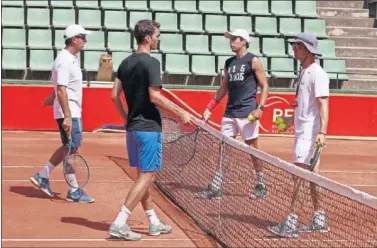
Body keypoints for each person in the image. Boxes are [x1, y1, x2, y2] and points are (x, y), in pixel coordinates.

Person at [108, 19, 194, 241]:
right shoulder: (152, 63)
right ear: (147, 38)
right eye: (157, 35)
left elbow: (114, 96)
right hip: (148, 128)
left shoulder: (124, 63)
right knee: (147, 175)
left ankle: (154, 222)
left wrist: (127, 117)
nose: (159, 38)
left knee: (144, 177)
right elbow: (155, 96)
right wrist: (180, 113)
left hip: (133, 129)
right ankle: (119, 223)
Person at [267, 32, 330, 238]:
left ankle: (291, 222)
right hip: (302, 131)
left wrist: (322, 132)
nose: (294, 49)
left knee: (300, 177)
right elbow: (304, 105)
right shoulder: (303, 72)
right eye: (294, 46)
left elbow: (323, 104)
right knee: (311, 178)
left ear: (308, 50)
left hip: (310, 135)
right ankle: (319, 218)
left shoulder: (317, 73)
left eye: (297, 46)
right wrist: (288, 121)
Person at [195, 29, 269, 200]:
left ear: (244, 41)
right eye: (230, 39)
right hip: (230, 113)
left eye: (235, 39)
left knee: (253, 150)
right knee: (224, 149)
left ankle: (261, 183)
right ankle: (217, 185)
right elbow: (223, 88)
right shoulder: (229, 63)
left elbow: (265, 85)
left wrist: (261, 108)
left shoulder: (253, 60)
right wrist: (210, 107)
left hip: (247, 113)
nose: (231, 42)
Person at [30, 24, 95, 203]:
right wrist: (67, 115)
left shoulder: (67, 59)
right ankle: (67, 187)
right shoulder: (65, 61)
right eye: (83, 37)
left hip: (69, 110)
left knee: (70, 147)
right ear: (74, 39)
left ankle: (49, 178)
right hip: (70, 112)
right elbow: (61, 90)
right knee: (71, 147)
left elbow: (58, 88)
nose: (85, 41)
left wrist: (49, 100)